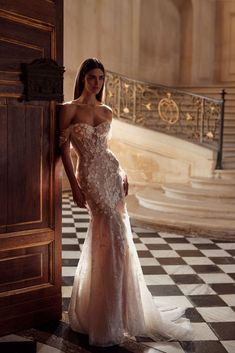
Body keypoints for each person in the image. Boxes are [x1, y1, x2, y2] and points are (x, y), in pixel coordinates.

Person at [59, 58, 192, 347]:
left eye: (101, 78)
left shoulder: (106, 111)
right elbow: (63, 151)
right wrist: (74, 187)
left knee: (119, 240)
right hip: (90, 178)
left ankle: (118, 312)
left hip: (111, 173)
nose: (97, 83)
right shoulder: (68, 109)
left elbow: (107, 150)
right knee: (109, 233)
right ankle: (104, 317)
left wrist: (123, 171)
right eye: (92, 77)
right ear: (82, 78)